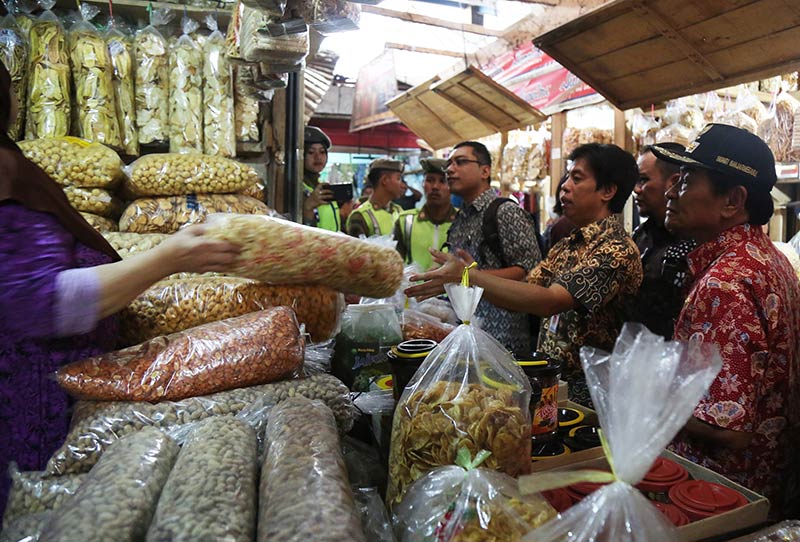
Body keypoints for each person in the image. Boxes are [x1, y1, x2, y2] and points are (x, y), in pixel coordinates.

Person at [0, 62, 241, 515]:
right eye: (9, 84)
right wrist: (169, 259)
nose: (17, 92)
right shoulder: (4, 172)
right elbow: (36, 302)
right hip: (29, 415)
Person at [407, 143, 642, 406]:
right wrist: (463, 278)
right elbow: (526, 288)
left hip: (592, 397)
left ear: (608, 191)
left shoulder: (616, 249)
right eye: (567, 177)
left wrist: (470, 277)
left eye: (576, 179)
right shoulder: (568, 244)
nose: (564, 186)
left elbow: (549, 301)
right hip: (552, 386)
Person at [652, 124, 800, 516]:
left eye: (685, 181)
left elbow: (725, 428)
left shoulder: (726, 282)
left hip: (718, 497)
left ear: (732, 200)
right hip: (762, 490)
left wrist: (645, 392)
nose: (670, 191)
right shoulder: (768, 259)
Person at [407, 141, 541, 357]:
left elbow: (531, 273)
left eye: (460, 162)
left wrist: (469, 275)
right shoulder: (462, 217)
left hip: (504, 341)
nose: (450, 169)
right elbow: (461, 275)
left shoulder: (506, 212)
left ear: (485, 171)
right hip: (467, 337)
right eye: (449, 164)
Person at [626, 143, 695, 339]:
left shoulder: (695, 242)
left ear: (674, 182)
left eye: (643, 180)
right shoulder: (641, 235)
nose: (636, 190)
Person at [393, 158, 457, 270]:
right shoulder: (406, 221)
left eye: (442, 181)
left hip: (450, 288)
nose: (435, 187)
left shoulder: (462, 220)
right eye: (430, 180)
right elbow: (395, 264)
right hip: (413, 286)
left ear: (452, 186)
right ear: (423, 183)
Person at [346, 159, 405, 237]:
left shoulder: (398, 211)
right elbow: (356, 248)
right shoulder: (360, 216)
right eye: (398, 179)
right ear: (385, 180)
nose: (403, 185)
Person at [302, 126, 340, 231]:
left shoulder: (322, 188)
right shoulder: (297, 189)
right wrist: (308, 207)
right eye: (311, 152)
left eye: (322, 152)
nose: (318, 157)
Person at [541, 173, 576, 256]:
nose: (565, 186)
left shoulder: (564, 224)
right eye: (562, 190)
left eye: (577, 179)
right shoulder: (558, 223)